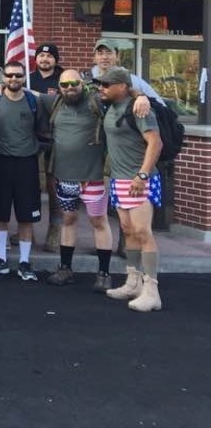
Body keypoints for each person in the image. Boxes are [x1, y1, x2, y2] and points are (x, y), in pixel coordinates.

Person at [98, 67, 164, 312]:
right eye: (100, 84)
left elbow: (156, 143)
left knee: (143, 232)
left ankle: (152, 290)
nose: (101, 88)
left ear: (122, 86)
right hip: (119, 178)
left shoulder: (139, 108)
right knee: (128, 231)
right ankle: (133, 281)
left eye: (107, 84)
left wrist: (142, 175)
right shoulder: (111, 105)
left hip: (139, 179)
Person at [44, 69, 113, 291]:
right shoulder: (55, 102)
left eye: (74, 83)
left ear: (82, 83)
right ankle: (65, 268)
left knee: (98, 221)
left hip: (92, 175)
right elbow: (27, 93)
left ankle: (104, 273)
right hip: (64, 175)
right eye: (64, 85)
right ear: (59, 87)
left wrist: (141, 97)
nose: (69, 87)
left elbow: (124, 95)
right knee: (68, 219)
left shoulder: (96, 100)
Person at [0, 61, 47, 281]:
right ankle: (1, 258)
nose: (13, 79)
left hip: (26, 163)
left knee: (25, 215)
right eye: (9, 75)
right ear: (3, 77)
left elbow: (41, 129)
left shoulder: (32, 101)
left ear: (23, 78)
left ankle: (24, 262)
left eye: (18, 76)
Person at [28, 43, 64, 253]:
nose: (45, 59)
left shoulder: (63, 80)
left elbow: (63, 101)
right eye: (41, 55)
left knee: (54, 187)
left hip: (56, 139)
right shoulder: (29, 78)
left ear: (55, 60)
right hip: (33, 137)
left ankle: (55, 228)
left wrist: (38, 95)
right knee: (31, 185)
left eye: (49, 56)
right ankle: (27, 226)